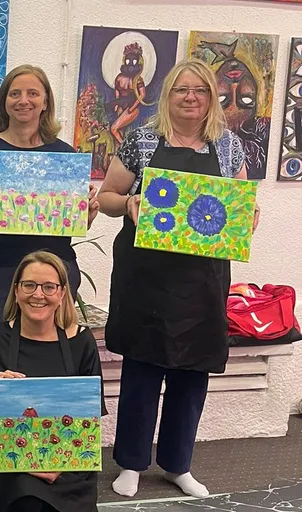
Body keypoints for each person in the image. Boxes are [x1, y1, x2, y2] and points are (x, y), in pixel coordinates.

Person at [97, 59, 261, 499]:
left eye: (200, 90)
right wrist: (129, 203)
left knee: (192, 374)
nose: (191, 97)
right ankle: (130, 463)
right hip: (146, 277)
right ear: (167, 96)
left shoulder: (228, 148)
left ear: (212, 97)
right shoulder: (142, 140)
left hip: (202, 281)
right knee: (142, 369)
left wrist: (250, 216)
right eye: (181, 90)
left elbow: (244, 204)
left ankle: (177, 464)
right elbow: (106, 198)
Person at [0, 64, 101, 348]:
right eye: (15, 94)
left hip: (53, 271)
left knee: (48, 353)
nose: (23, 100)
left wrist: (89, 215)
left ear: (46, 101)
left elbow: (75, 223)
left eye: (33, 93)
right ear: (4, 103)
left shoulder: (64, 156)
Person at [0, 251, 103, 512]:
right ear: (16, 291)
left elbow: (91, 419)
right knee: (29, 502)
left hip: (70, 466)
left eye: (49, 287)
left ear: (62, 293)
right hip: (11, 466)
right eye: (29, 285)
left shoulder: (82, 343)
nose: (38, 294)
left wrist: (61, 464)